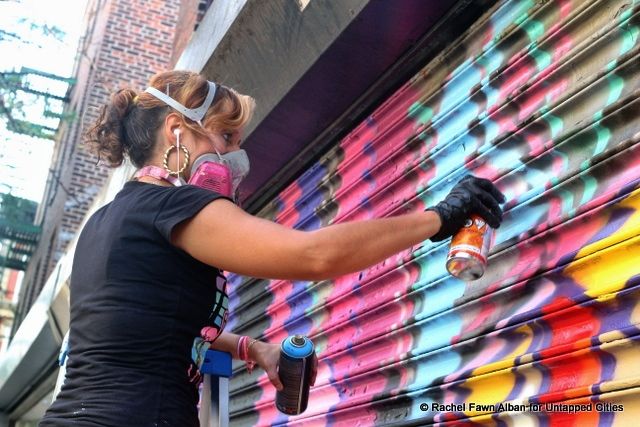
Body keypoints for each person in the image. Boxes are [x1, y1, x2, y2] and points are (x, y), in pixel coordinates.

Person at [40, 70, 505, 426]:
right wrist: (439, 217)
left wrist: (253, 349)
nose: (235, 157)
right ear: (177, 130)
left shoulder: (109, 220)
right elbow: (313, 256)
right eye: (225, 137)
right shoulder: (172, 207)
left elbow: (141, 327)